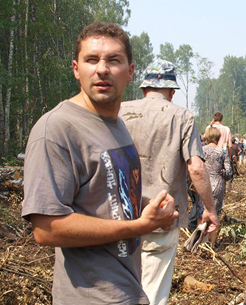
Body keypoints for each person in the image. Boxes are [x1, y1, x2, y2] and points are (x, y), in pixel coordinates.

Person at [21, 22, 178, 305]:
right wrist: (140, 226)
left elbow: (109, 196)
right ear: (76, 69)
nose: (102, 69)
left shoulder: (115, 125)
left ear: (130, 72)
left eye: (114, 60)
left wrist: (149, 208)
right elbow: (46, 228)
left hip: (127, 288)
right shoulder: (57, 130)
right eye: (91, 60)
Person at [119, 59, 219, 305]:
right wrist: (209, 209)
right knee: (152, 292)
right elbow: (196, 167)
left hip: (118, 219)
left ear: (143, 88)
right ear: (172, 91)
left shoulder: (118, 111)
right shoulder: (181, 116)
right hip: (161, 218)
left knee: (119, 289)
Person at [195, 127, 232, 246]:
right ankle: (211, 245)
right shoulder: (222, 152)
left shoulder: (201, 150)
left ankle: (200, 243)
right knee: (214, 213)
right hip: (217, 184)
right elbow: (229, 173)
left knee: (201, 213)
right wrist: (222, 172)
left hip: (202, 183)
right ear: (218, 138)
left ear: (206, 137)